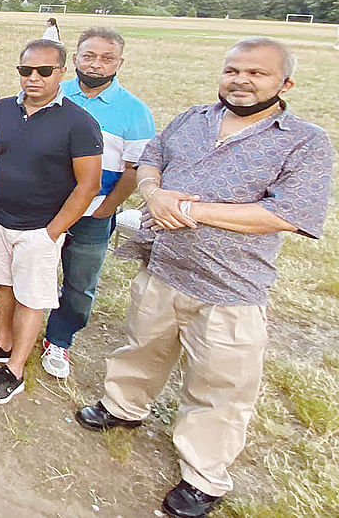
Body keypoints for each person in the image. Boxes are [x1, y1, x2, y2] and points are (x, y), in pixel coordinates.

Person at [75, 37, 332, 518]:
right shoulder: (194, 120)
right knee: (140, 345)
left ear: (285, 83)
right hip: (165, 265)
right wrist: (153, 193)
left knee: (220, 385)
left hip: (230, 286)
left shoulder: (303, 140)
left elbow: (289, 214)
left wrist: (191, 208)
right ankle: (123, 407)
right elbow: (152, 157)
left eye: (257, 73)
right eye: (234, 70)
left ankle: (203, 474)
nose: (241, 80)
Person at [0, 39, 102, 405]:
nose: (33, 78)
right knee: (3, 285)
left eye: (44, 71)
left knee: (31, 298)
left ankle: (16, 369)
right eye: (26, 71)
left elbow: (88, 185)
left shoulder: (79, 123)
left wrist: (53, 231)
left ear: (62, 72)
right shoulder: (2, 111)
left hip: (40, 227)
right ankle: (3, 343)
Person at [36, 27, 155, 379]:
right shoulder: (52, 93)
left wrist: (108, 206)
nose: (97, 64)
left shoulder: (134, 112)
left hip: (92, 212)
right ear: (74, 58)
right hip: (43, 204)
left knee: (79, 280)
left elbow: (136, 168)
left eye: (106, 58)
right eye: (89, 56)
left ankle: (60, 338)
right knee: (24, 260)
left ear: (119, 62)